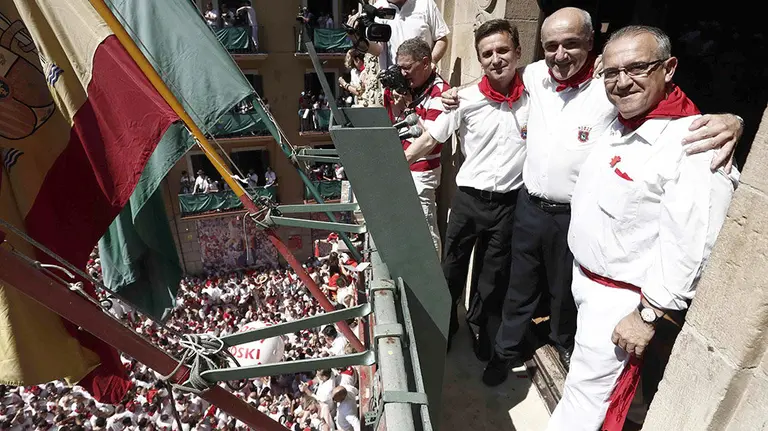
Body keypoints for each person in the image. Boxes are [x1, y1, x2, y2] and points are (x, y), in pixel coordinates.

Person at [441, 7, 744, 387]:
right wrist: (455, 95)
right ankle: (505, 352)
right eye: (551, 45)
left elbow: (667, 105)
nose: (560, 54)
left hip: (575, 214)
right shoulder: (535, 75)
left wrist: (732, 121)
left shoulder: (611, 89)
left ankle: (563, 344)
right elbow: (493, 80)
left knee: (564, 291)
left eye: (571, 44)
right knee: (516, 285)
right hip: (528, 207)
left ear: (592, 45)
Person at [547, 25, 737, 431]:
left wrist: (647, 316)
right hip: (588, 282)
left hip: (624, 303)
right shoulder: (620, 119)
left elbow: (693, 246)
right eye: (611, 72)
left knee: (585, 402)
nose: (621, 81)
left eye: (637, 68)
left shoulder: (694, 143)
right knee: (614, 396)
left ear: (668, 69)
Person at [409, 19, 528, 357]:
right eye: (487, 53)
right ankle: (446, 327)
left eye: (503, 50)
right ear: (480, 59)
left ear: (518, 52)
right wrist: (400, 163)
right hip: (468, 201)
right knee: (451, 271)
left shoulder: (536, 97)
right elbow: (432, 136)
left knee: (492, 279)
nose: (496, 59)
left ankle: (481, 329)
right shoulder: (462, 99)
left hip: (507, 204)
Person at [385, 37, 450, 256]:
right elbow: (394, 121)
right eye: (399, 67)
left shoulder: (440, 92)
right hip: (405, 170)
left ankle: (433, 283)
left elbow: (428, 140)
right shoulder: (414, 87)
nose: (402, 74)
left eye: (407, 67)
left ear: (425, 62)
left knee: (426, 232)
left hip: (421, 174)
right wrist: (400, 101)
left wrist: (409, 104)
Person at [367, 0, 450, 69]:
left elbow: (441, 39)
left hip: (421, 78)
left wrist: (432, 61)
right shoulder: (377, 8)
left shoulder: (425, 3)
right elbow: (378, 50)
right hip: (394, 80)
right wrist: (359, 41)